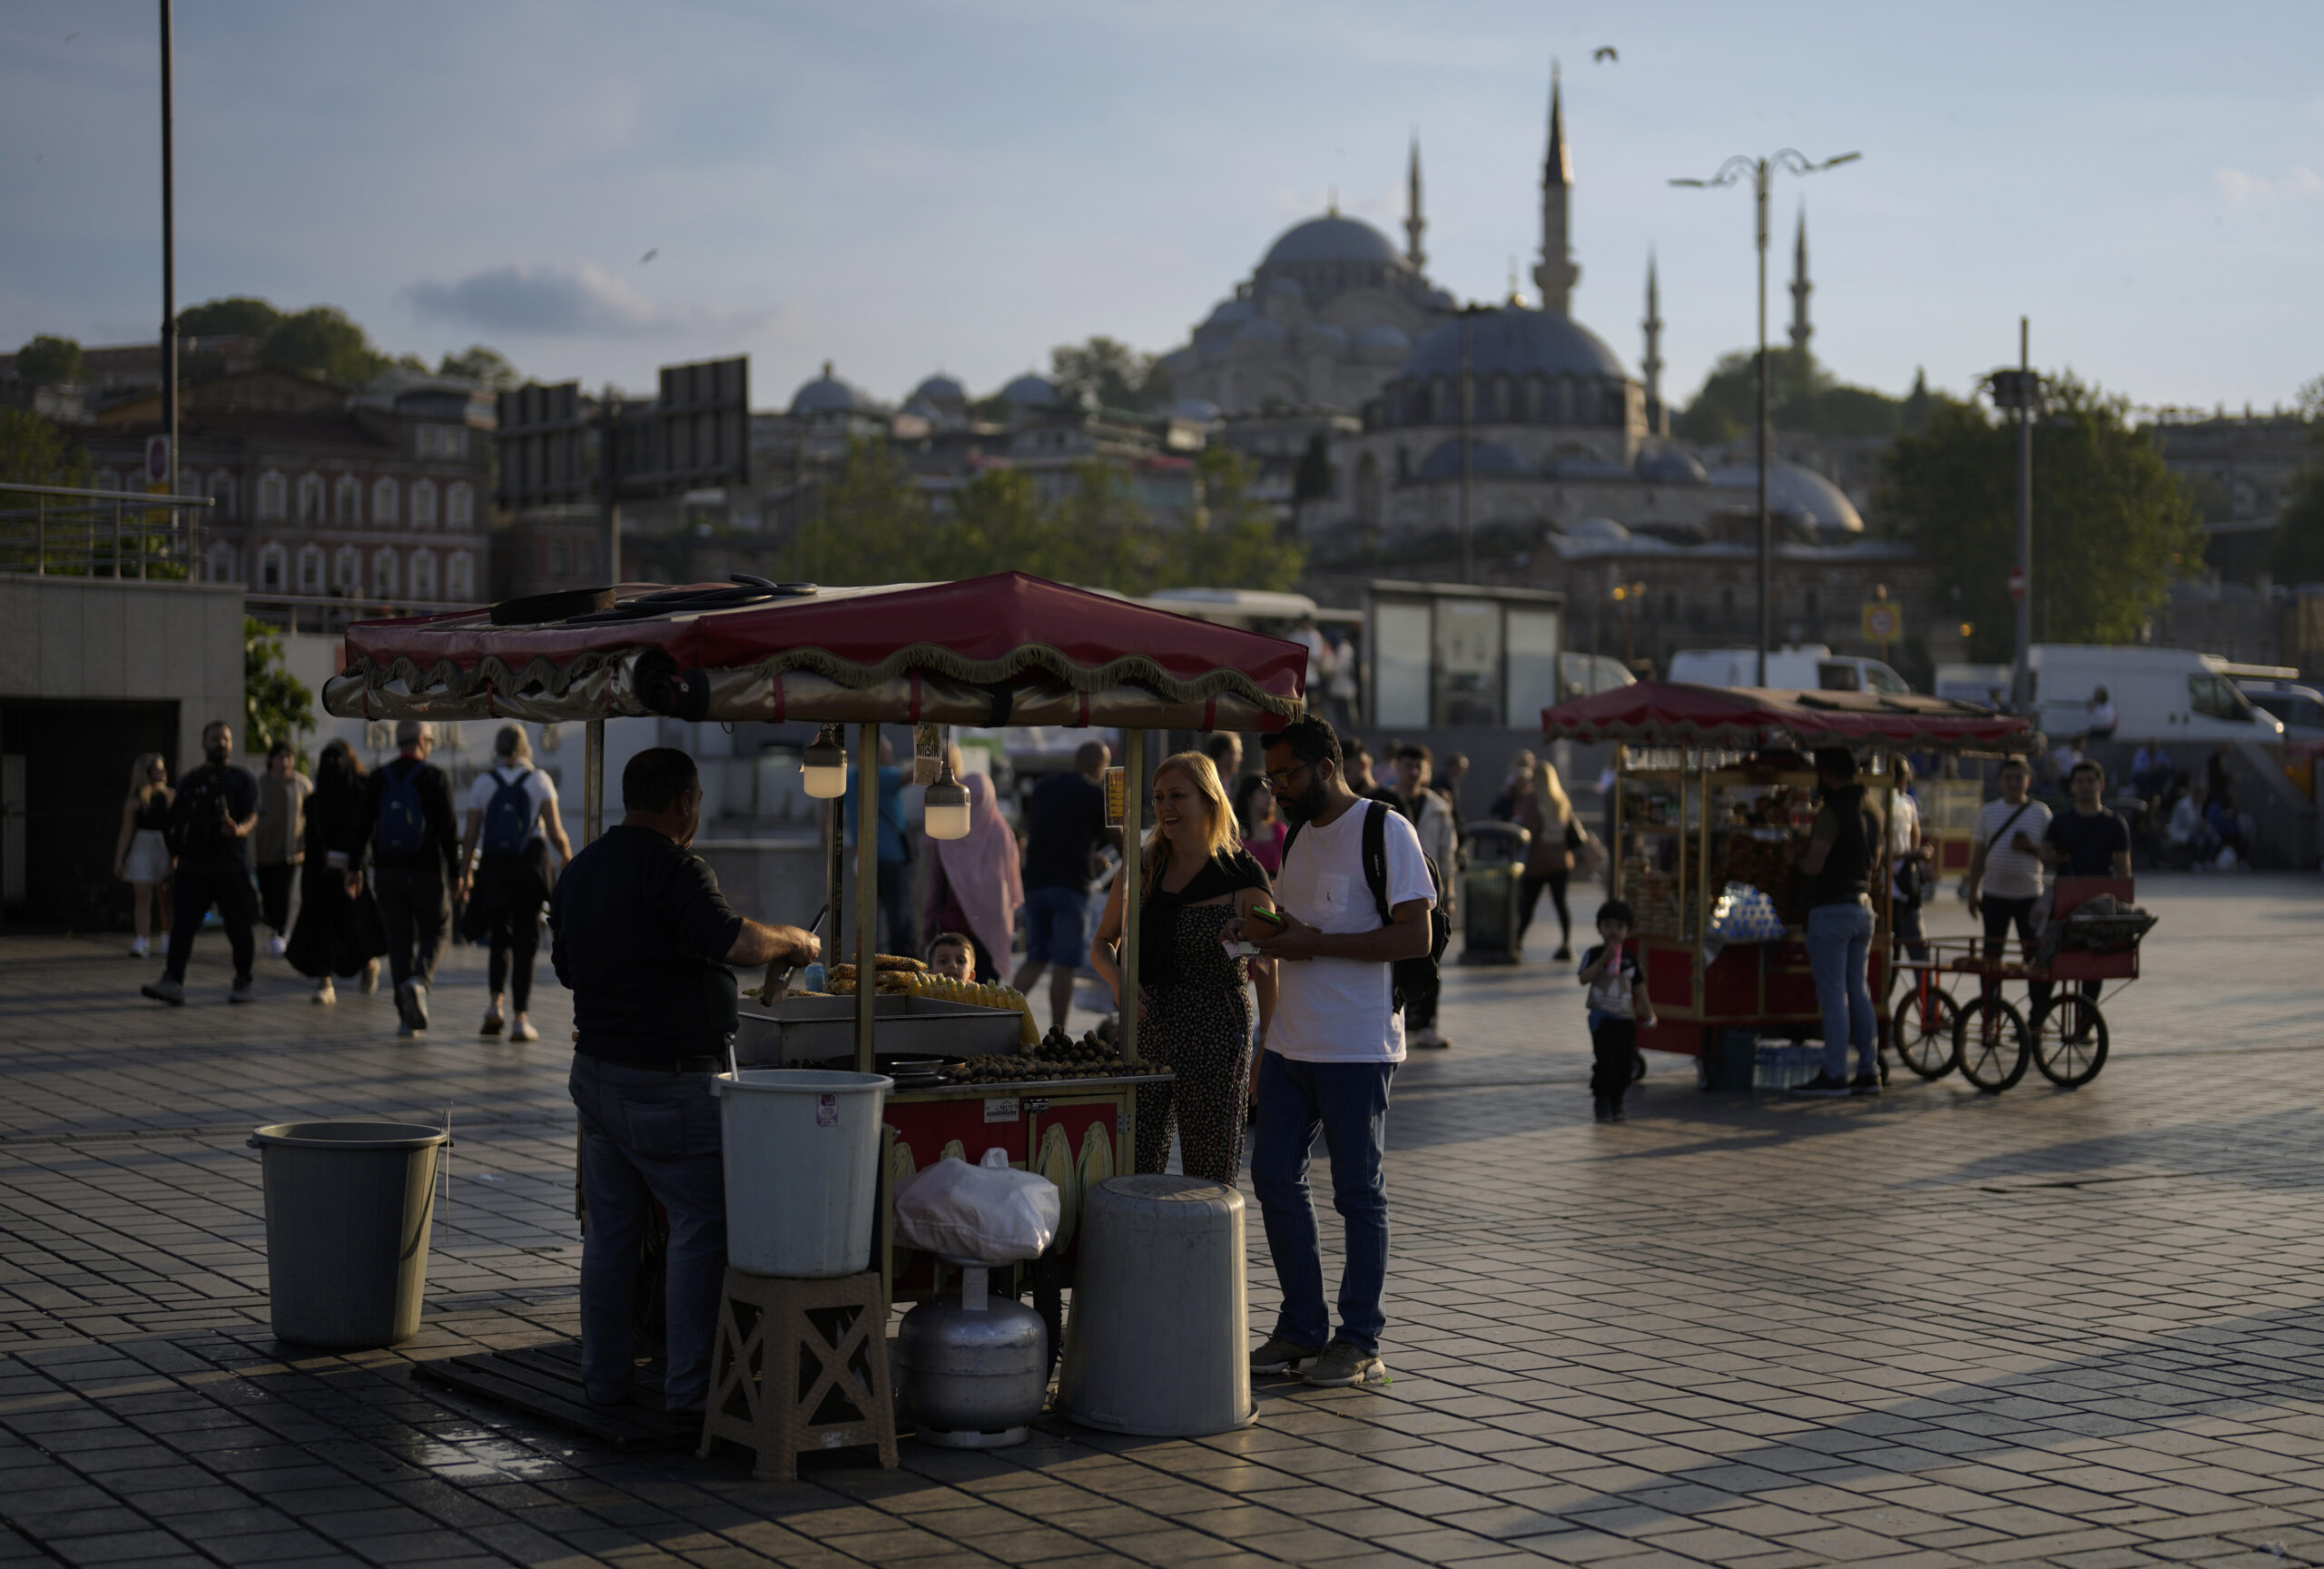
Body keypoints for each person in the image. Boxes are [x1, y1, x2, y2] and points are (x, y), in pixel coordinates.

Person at [552, 746, 820, 1416]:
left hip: (598, 1074)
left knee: (612, 1233)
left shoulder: (581, 869)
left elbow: (565, 967)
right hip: (666, 1082)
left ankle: (604, 1379)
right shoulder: (675, 867)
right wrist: (793, 941)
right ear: (682, 803)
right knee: (701, 1226)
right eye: (695, 802)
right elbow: (729, 939)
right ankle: (689, 1391)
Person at [1245, 717, 1433, 1389]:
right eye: (1271, 779)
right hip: (1292, 1039)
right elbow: (1299, 931)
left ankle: (1360, 1339)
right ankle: (1301, 1327)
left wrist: (1311, 942)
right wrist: (1262, 937)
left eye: (1287, 776)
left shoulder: (1388, 831)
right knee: (1273, 1178)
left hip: (1357, 1046)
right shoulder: (1296, 837)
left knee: (1358, 1192)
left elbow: (1414, 937)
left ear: (1327, 766)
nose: (1278, 792)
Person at [1090, 752, 1275, 1181]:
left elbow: (1268, 965)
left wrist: (1267, 1047)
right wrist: (1118, 980)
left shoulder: (1244, 876)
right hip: (1144, 1032)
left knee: (1210, 1171)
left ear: (1210, 800)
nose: (1165, 807)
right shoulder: (1139, 867)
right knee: (1133, 1166)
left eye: (1178, 795)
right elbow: (1102, 942)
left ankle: (1207, 1248)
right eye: (1158, 798)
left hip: (1216, 1037)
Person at [460, 725, 573, 1042]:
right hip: (530, 867)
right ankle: (521, 1019)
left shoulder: (483, 782)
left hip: (495, 868)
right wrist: (568, 858)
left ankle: (495, 1005)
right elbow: (554, 831)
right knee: (526, 943)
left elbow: (470, 836)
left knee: (500, 938)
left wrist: (464, 873)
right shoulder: (539, 780)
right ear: (525, 749)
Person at [141, 721, 260, 1007]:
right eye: (215, 738)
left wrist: (239, 830)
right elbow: (176, 821)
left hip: (231, 866)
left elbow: (254, 814)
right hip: (194, 867)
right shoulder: (190, 780)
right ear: (204, 743)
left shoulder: (242, 779)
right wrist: (174, 858)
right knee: (183, 926)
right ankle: (173, 981)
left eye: (226, 738)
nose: (221, 743)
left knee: (240, 927)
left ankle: (243, 980)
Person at [1791, 745, 1885, 1099]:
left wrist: (1795, 857)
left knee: (1833, 995)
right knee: (1858, 991)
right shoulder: (1873, 809)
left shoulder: (1832, 812)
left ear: (1827, 774)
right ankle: (1868, 1070)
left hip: (1831, 910)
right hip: (1863, 908)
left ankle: (1833, 1073)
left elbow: (1814, 865)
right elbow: (1874, 862)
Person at [359, 719, 462, 1037]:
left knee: (398, 941)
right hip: (426, 873)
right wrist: (457, 875)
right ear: (420, 741)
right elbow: (448, 831)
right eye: (429, 739)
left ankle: (406, 1018)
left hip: (387, 873)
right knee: (439, 929)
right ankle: (419, 982)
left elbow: (362, 825)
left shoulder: (378, 777)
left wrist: (354, 868)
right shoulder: (434, 777)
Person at [1012, 740, 1112, 1035]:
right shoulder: (1096, 793)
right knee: (1063, 965)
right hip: (1070, 885)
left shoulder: (1044, 787)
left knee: (1035, 957)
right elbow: (1118, 839)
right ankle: (1057, 1033)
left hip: (1036, 883)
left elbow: (1047, 832)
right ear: (1098, 766)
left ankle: (997, 1015)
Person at [285, 739, 387, 1004]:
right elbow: (312, 838)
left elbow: (364, 835)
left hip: (352, 871)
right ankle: (324, 981)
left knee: (353, 925)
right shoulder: (314, 801)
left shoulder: (360, 794)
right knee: (322, 927)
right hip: (321, 873)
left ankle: (367, 964)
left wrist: (357, 866)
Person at [2033, 757, 2132, 1021]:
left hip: (2100, 903)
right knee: (2052, 959)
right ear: (2072, 787)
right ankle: (2037, 1019)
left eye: (2091, 781)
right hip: (2065, 902)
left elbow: (2123, 868)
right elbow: (2044, 857)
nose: (2086, 786)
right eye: (2080, 782)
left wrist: (2124, 907)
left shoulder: (2115, 824)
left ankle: (2085, 1025)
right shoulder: (2061, 822)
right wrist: (2056, 858)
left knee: (2093, 964)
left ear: (2101, 784)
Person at [1966, 755, 2052, 1015]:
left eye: (2019, 778)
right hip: (1994, 895)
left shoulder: (2041, 813)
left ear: (2028, 781)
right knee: (1992, 958)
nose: (2014, 783)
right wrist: (1972, 891)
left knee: (2035, 958)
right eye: (2009, 778)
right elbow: (1979, 854)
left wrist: (2031, 849)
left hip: (2030, 897)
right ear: (2000, 782)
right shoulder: (1988, 811)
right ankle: (1989, 1013)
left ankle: (2037, 1017)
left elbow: (2050, 855)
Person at [923, 770, 1022, 983]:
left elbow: (934, 887)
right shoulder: (1003, 832)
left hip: (953, 926)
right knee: (985, 995)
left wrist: (926, 927)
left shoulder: (949, 833)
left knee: (950, 993)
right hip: (993, 929)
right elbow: (1013, 884)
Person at [1392, 745, 1456, 1050]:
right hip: (1393, 895)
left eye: (1419, 766)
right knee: (1396, 961)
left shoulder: (1438, 808)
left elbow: (1447, 854)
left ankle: (1429, 1023)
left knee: (1431, 959)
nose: (1413, 772)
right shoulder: (1383, 803)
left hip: (1431, 894)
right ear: (1396, 766)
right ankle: (1400, 1019)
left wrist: (1451, 892)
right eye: (1407, 765)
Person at [1577, 898, 1657, 1122]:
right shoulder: (1593, 954)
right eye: (1608, 925)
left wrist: (1649, 1012)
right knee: (1605, 1061)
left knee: (1624, 1063)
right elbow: (1583, 979)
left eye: (1620, 927)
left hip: (1625, 1018)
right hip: (1601, 1017)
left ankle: (1617, 1100)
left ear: (1628, 931)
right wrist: (1603, 960)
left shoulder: (1630, 960)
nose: (1613, 931)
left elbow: (1639, 987)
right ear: (1600, 928)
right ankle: (1601, 1099)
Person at [1495, 757, 1581, 959]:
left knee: (1528, 904)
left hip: (1539, 862)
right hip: (1561, 861)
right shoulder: (1561, 800)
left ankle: (1516, 942)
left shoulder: (1532, 801)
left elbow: (1529, 831)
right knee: (1560, 903)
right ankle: (1566, 943)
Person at [844, 734, 915, 961]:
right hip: (891, 856)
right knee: (898, 913)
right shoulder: (878, 774)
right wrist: (932, 758)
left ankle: (869, 957)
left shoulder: (852, 777)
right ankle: (900, 961)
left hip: (866, 855)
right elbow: (907, 776)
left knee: (870, 913)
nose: (890, 756)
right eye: (886, 752)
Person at [113, 753, 173, 959]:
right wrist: (119, 859)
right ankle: (142, 940)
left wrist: (176, 856)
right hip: (142, 847)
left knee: (166, 898)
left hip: (164, 846)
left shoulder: (171, 797)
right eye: (157, 769)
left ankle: (167, 938)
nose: (162, 772)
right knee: (142, 896)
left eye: (162, 768)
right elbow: (126, 830)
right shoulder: (135, 801)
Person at [253, 740, 311, 957]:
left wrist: (306, 841)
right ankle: (273, 929)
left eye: (288, 757)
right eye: (280, 757)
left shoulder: (301, 785)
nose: (284, 761)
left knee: (284, 893)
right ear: (272, 759)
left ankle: (281, 932)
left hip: (291, 852)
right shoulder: (262, 783)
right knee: (267, 892)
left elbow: (308, 817)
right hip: (264, 849)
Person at [1888, 757, 1932, 965]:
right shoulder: (1881, 804)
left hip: (1906, 882)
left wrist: (1913, 855)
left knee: (1918, 948)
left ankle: (1926, 995)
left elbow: (1915, 832)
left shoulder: (1907, 803)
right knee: (1889, 951)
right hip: (1886, 884)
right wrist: (1910, 855)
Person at [1235, 773, 1287, 876]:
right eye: (1263, 791)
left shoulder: (1278, 830)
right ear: (1249, 796)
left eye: (1271, 791)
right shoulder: (1234, 830)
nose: (1270, 796)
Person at [1342, 740, 1406, 814]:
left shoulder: (1393, 801)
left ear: (1363, 765)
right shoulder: (1342, 803)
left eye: (1346, 770)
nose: (1342, 777)